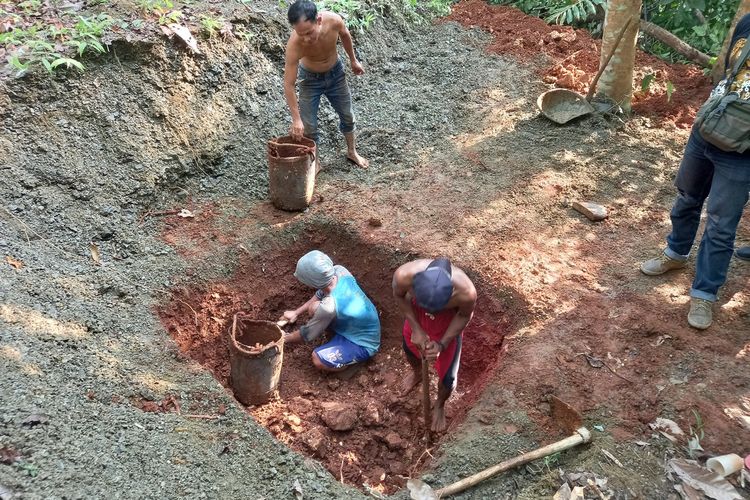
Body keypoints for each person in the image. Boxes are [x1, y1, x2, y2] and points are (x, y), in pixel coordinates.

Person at [640, 14, 750, 330]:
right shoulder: (747, 24)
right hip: (708, 128)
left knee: (721, 224)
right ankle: (676, 252)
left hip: (742, 152)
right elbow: (729, 71)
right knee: (687, 196)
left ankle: (704, 292)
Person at [283, 0, 369, 170]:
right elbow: (289, 84)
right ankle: (315, 164)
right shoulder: (294, 45)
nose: (306, 39)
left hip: (336, 74)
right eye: (301, 34)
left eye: (309, 32)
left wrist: (353, 60)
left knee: (347, 115)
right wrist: (296, 119)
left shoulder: (334, 21)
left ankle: (352, 151)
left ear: (319, 20)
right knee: (309, 127)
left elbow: (345, 34)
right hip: (309, 80)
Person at [392, 258, 476, 432]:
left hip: (448, 322)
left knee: (448, 377)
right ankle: (417, 374)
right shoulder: (404, 275)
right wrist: (416, 328)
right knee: (409, 349)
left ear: (451, 293)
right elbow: (399, 295)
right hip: (416, 314)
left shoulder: (465, 292)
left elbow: (464, 316)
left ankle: (439, 404)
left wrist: (442, 344)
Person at [281, 250, 380, 371]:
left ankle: (348, 364)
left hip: (363, 343)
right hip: (355, 325)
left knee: (318, 359)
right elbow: (321, 292)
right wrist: (296, 312)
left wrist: (285, 338)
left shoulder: (329, 307)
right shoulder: (339, 271)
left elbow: (307, 334)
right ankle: (336, 340)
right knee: (314, 308)